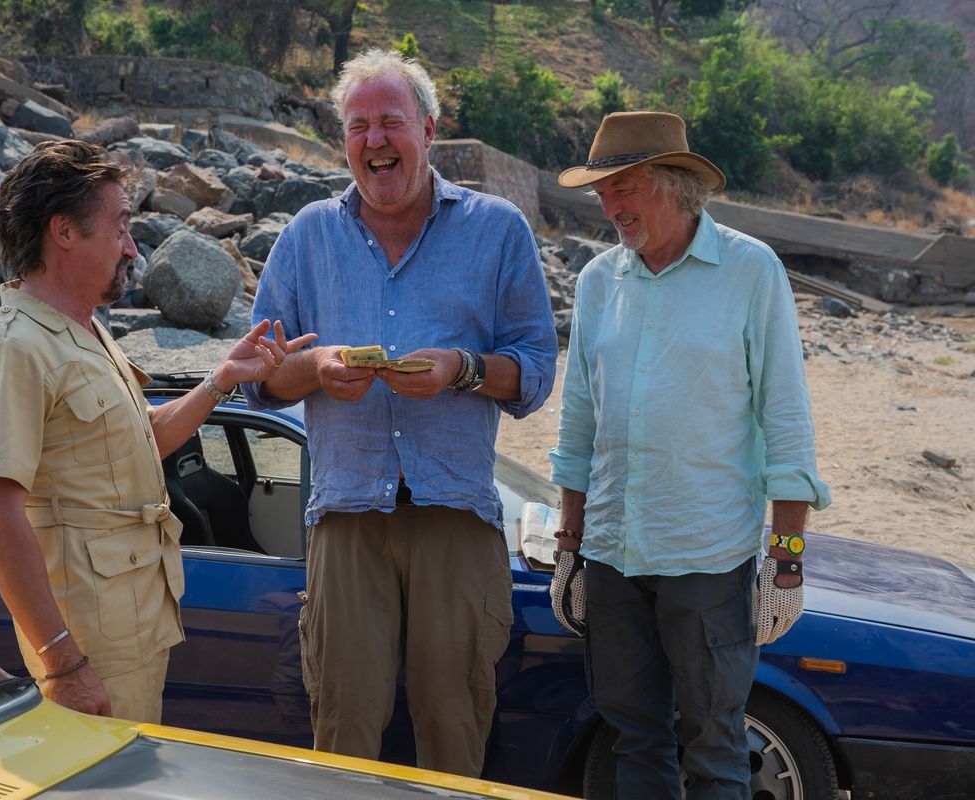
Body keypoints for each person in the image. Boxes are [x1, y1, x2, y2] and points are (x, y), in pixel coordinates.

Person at [242, 50, 557, 778]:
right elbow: (261, 379)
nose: (375, 140)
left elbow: (535, 375)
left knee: (455, 729)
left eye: (391, 122)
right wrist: (315, 370)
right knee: (343, 728)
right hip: (347, 516)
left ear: (429, 129)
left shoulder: (498, 229)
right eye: (358, 126)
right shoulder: (306, 236)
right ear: (343, 139)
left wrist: (464, 370)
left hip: (458, 516)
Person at [0, 140, 314, 723]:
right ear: (65, 233)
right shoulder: (13, 347)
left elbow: (142, 441)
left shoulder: (85, 333)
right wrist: (62, 662)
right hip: (87, 640)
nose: (131, 247)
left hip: (133, 622)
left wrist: (222, 378)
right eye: (120, 226)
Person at [548, 111, 831, 799]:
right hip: (613, 556)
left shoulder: (750, 270)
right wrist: (569, 545)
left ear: (676, 186)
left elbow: (786, 417)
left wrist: (786, 558)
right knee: (633, 739)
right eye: (602, 194)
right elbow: (579, 422)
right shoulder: (596, 283)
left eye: (625, 188)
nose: (611, 208)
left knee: (715, 745)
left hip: (708, 559)